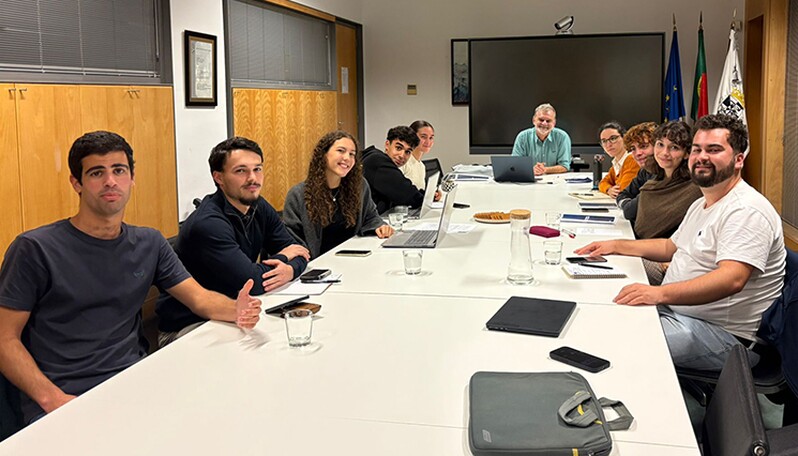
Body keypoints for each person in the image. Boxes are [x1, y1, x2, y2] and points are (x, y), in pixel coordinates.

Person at [0, 131, 261, 424]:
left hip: (135, 383)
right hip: (64, 398)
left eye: (119, 170)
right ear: (77, 183)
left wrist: (236, 309)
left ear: (132, 179)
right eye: (97, 172)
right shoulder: (35, 249)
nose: (111, 181)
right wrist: (52, 399)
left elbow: (199, 299)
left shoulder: (149, 242)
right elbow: (5, 338)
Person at [575, 114, 786, 371]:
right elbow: (669, 247)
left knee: (613, 342)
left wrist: (658, 293)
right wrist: (615, 246)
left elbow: (732, 278)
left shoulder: (746, 210)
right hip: (678, 312)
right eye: (697, 149)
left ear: (739, 159)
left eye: (714, 149)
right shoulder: (703, 202)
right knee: (595, 314)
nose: (702, 156)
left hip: (725, 336)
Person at [156, 137, 308, 346]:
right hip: (190, 326)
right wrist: (283, 257)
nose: (252, 178)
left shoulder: (257, 205)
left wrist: (290, 270)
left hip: (237, 312)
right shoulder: (208, 223)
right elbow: (251, 281)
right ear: (218, 177)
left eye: (257, 169)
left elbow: (300, 251)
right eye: (240, 171)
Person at [283, 131, 394, 258]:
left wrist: (380, 226)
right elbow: (292, 241)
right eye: (341, 151)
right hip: (316, 267)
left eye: (352, 154)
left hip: (353, 258)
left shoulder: (359, 186)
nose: (347, 158)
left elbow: (371, 216)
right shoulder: (298, 195)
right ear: (323, 154)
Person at [633, 121, 702, 240]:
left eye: (674, 147)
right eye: (660, 144)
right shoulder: (653, 181)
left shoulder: (695, 189)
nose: (664, 153)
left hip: (668, 254)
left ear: (687, 154)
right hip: (642, 247)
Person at [362, 126, 424, 213]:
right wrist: (426, 197)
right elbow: (407, 194)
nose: (402, 155)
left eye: (408, 152)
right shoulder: (378, 161)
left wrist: (428, 196)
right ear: (387, 144)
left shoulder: (378, 159)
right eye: (398, 148)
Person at [615, 122, 657, 226]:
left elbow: (629, 211)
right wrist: (627, 204)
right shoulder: (645, 170)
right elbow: (622, 195)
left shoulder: (662, 174)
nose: (637, 153)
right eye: (633, 149)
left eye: (643, 146)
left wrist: (627, 205)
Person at [511, 103, 571, 175]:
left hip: (555, 182)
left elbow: (565, 166)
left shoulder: (562, 137)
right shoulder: (522, 137)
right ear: (534, 120)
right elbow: (515, 164)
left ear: (554, 123)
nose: (544, 123)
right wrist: (531, 170)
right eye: (541, 120)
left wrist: (545, 170)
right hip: (528, 180)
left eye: (548, 121)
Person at [597, 122, 639, 198]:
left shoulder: (632, 159)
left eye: (613, 138)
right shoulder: (617, 162)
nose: (608, 145)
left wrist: (611, 188)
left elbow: (622, 191)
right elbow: (602, 183)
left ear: (624, 138)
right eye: (604, 141)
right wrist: (609, 189)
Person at [401, 120, 435, 190]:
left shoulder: (421, 166)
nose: (428, 142)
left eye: (431, 138)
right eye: (423, 137)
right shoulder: (402, 162)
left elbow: (419, 192)